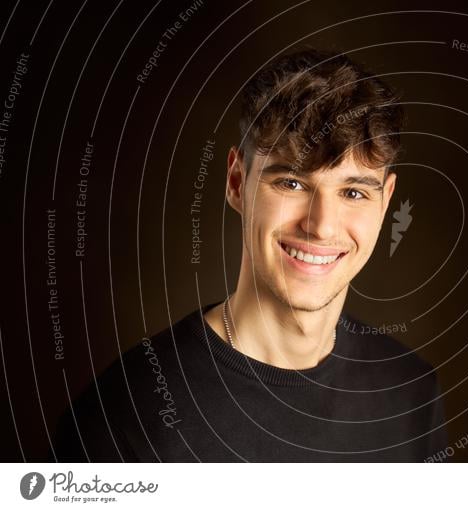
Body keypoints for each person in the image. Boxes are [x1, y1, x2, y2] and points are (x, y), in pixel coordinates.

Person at [50, 48, 448, 462]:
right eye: (292, 183)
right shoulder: (125, 414)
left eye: (353, 192)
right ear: (238, 183)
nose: (322, 225)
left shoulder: (410, 393)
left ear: (385, 203)